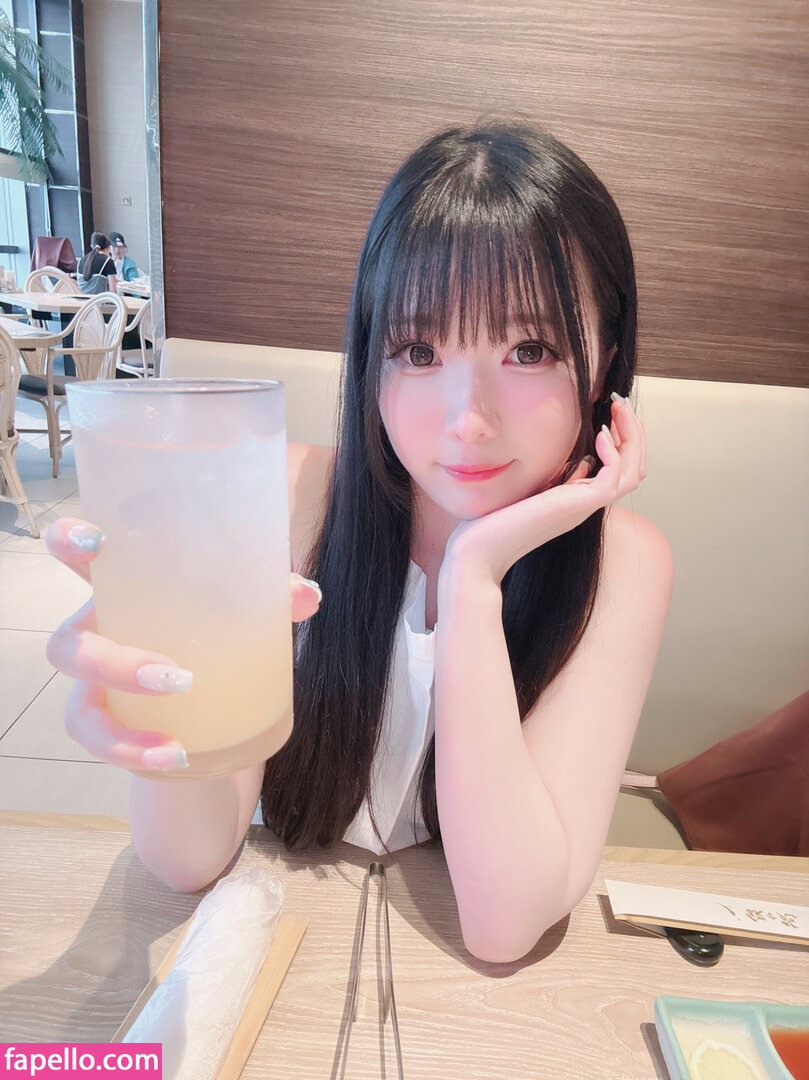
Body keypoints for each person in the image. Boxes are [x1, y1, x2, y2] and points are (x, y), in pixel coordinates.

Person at [45, 123, 672, 963]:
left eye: (529, 349)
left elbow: (503, 924)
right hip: (278, 940)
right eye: (418, 349)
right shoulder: (281, 501)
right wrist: (165, 710)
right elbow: (185, 862)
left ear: (607, 358)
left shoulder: (622, 564)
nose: (467, 421)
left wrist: (474, 577)